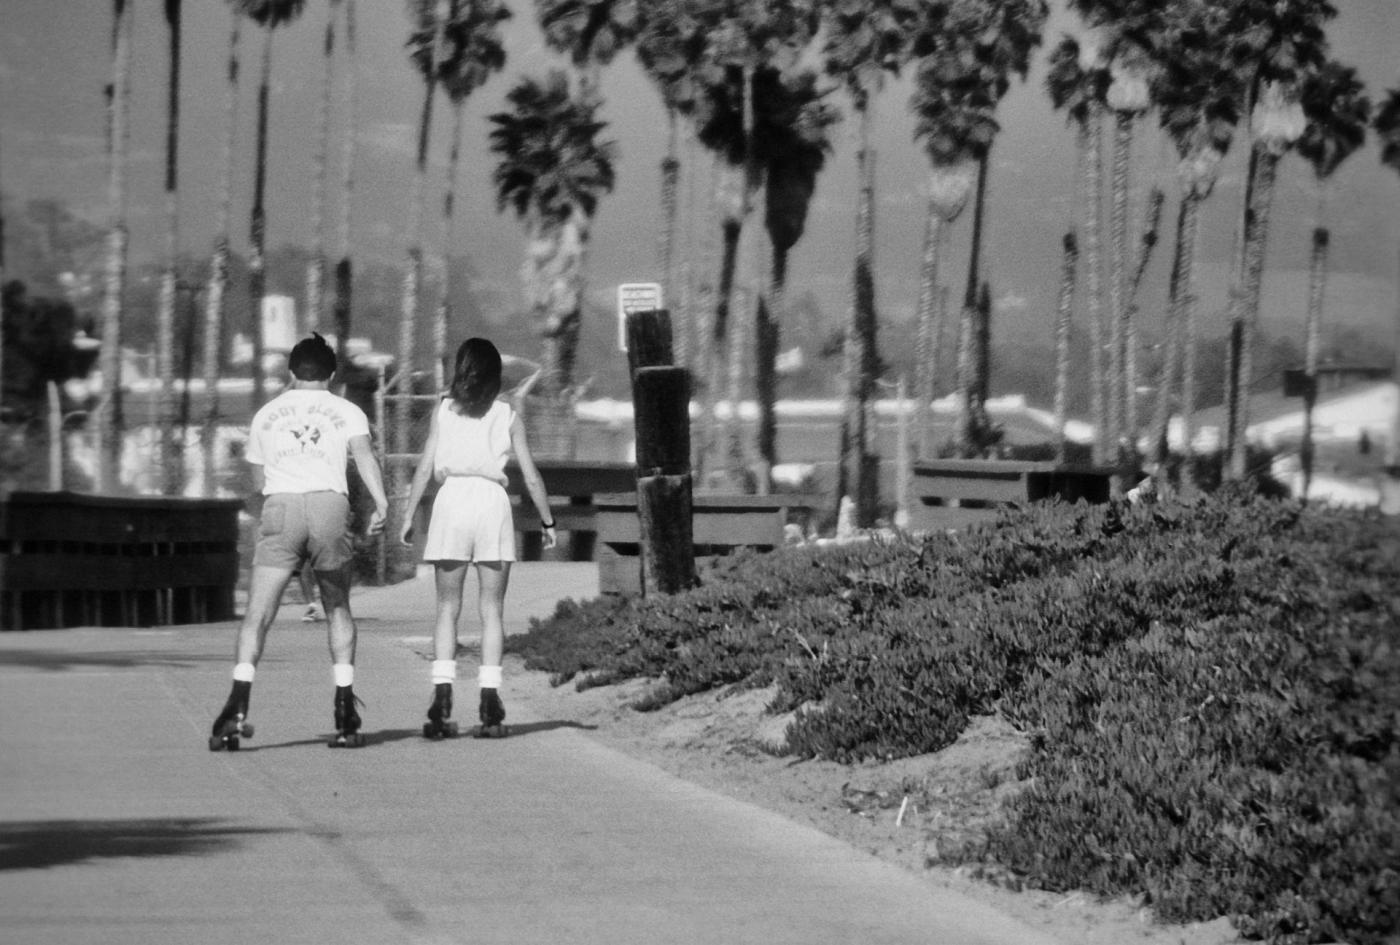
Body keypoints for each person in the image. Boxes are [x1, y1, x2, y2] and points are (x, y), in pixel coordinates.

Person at [209, 333, 389, 750]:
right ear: (332, 373)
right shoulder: (348, 411)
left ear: (291, 373)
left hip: (282, 505)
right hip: (329, 506)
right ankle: (344, 709)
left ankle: (237, 703)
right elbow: (364, 457)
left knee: (258, 614)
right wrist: (381, 503)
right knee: (338, 607)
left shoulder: (266, 414)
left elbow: (259, 478)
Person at [399, 337, 556, 739]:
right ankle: (489, 700)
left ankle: (441, 697)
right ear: (495, 375)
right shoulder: (508, 415)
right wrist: (547, 520)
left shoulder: (444, 411)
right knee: (492, 609)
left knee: (446, 607)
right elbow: (531, 475)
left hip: (451, 501)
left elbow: (424, 467)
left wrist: (408, 514)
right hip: (491, 504)